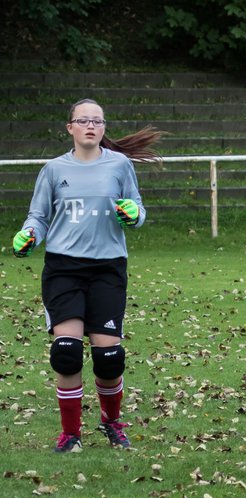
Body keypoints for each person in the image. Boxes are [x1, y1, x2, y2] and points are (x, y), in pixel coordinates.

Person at [11, 99, 162, 453]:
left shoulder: (120, 166)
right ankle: (70, 435)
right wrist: (29, 234)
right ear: (70, 128)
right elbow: (39, 216)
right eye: (83, 120)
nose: (90, 126)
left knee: (109, 360)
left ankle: (112, 423)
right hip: (64, 268)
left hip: (107, 267)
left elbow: (138, 210)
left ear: (104, 128)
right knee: (66, 353)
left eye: (97, 121)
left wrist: (132, 214)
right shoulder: (53, 169)